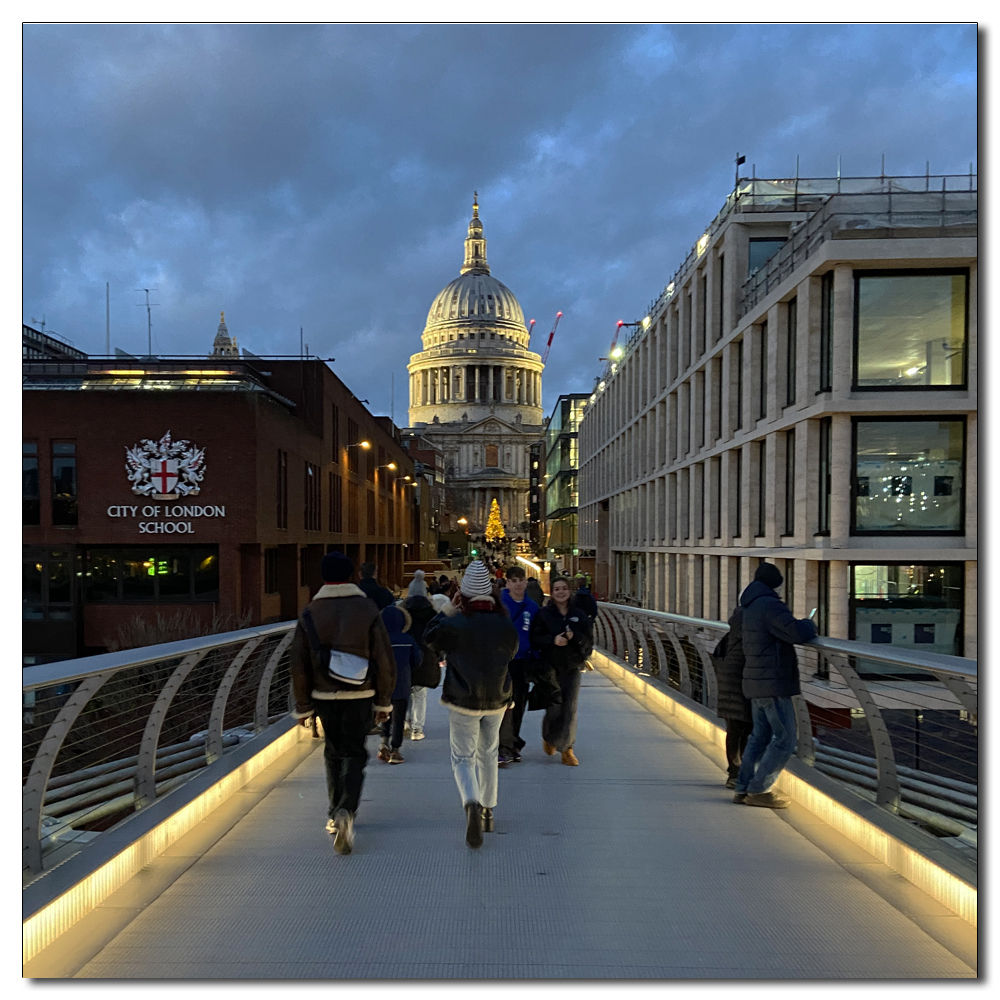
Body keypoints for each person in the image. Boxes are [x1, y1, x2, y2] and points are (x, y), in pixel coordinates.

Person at [290, 551, 396, 854]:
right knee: (355, 752)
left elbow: (298, 663)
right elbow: (383, 657)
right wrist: (384, 701)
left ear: (323, 578)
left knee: (333, 751)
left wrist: (303, 706)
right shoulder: (366, 608)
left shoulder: (310, 612)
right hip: (361, 694)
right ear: (352, 575)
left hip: (323, 695)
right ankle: (347, 810)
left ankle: (334, 812)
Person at [425, 560, 518, 848]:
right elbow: (512, 653)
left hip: (462, 699)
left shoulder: (455, 623)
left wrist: (448, 610)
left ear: (463, 593)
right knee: (488, 753)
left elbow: (429, 638)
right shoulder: (504, 624)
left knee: (463, 758)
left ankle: (471, 804)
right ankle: (489, 810)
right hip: (497, 700)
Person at [733, 562, 817, 809]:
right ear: (775, 583)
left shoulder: (750, 605)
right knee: (786, 738)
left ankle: (743, 787)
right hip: (773, 682)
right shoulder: (769, 605)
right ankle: (759, 790)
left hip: (757, 680)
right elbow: (795, 633)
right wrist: (809, 624)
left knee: (760, 736)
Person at [530, 576, 593, 766]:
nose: (561, 592)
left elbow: (589, 641)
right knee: (554, 706)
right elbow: (535, 638)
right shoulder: (544, 614)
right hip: (550, 666)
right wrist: (552, 640)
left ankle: (567, 748)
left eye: (564, 588)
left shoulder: (579, 615)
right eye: (557, 589)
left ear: (569, 591)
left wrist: (576, 638)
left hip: (572, 666)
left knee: (570, 707)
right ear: (552, 591)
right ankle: (549, 737)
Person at [498, 566, 541, 764]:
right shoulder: (499, 604)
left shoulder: (532, 607)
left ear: (526, 582)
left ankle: (513, 741)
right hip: (502, 662)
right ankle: (502, 745)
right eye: (513, 581)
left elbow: (536, 634)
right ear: (507, 583)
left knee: (519, 703)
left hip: (522, 662)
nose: (517, 584)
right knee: (503, 704)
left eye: (520, 580)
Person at [712, 605, 753, 789]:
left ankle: (735, 772)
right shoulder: (751, 629)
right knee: (745, 728)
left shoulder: (733, 632)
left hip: (729, 683)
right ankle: (738, 773)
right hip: (744, 681)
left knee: (735, 728)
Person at [376, 606, 421, 764]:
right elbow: (417, 659)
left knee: (384, 714)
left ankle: (383, 743)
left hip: (382, 685)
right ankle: (395, 750)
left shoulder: (380, 640)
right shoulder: (407, 639)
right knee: (399, 717)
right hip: (402, 683)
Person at [403, 594, 439, 740]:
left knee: (406, 692)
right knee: (420, 694)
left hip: (406, 659)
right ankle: (417, 729)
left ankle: (405, 720)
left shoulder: (404, 618)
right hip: (426, 659)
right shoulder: (432, 618)